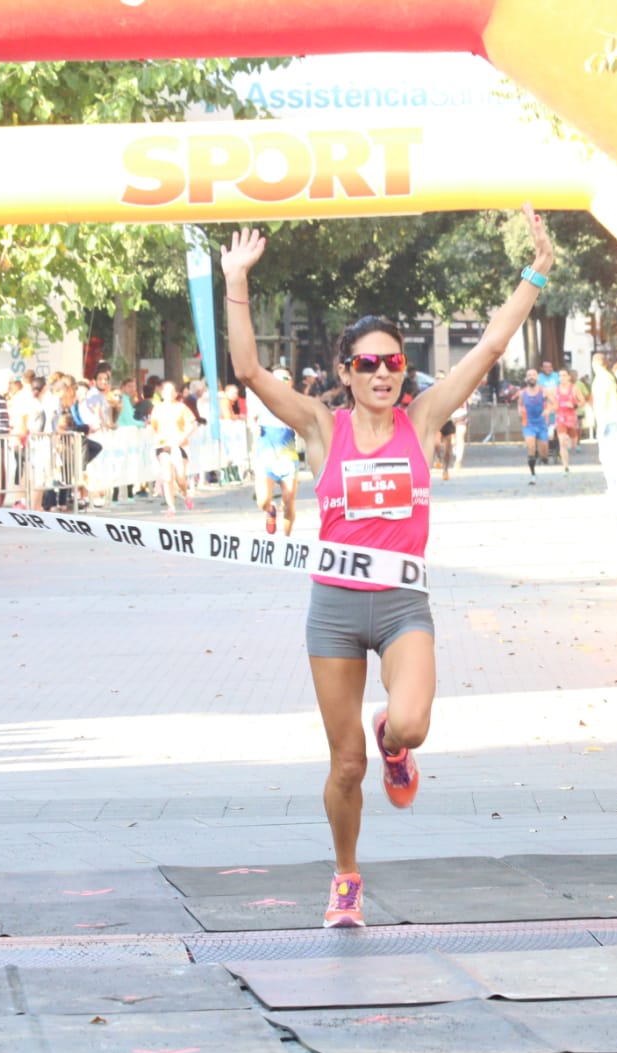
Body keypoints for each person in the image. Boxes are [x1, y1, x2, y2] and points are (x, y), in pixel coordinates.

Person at [219, 205, 553, 928]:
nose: (381, 374)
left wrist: (535, 272)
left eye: (392, 362)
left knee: (409, 725)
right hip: (335, 610)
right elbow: (247, 368)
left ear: (406, 370)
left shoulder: (425, 418)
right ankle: (345, 877)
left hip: (402, 607)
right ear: (346, 372)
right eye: (366, 364)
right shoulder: (319, 426)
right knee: (345, 767)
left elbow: (491, 346)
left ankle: (394, 747)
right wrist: (235, 280)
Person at [248, 367, 301, 534]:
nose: (280, 382)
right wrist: (253, 426)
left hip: (287, 458)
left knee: (289, 500)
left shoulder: (298, 402)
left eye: (285, 378)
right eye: (276, 378)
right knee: (262, 500)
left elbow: (306, 423)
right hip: (266, 458)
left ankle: (286, 540)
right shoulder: (263, 399)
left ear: (291, 382)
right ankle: (270, 509)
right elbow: (252, 417)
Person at [148, 380, 195, 515]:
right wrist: (155, 438)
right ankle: (171, 507)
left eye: (171, 391)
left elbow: (191, 425)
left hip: (179, 445)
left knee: (180, 477)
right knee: (167, 477)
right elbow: (154, 427)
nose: (168, 394)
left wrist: (183, 437)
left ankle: (185, 493)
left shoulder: (181, 407)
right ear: (162, 393)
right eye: (165, 391)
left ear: (175, 394)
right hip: (164, 445)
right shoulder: (157, 408)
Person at [516, 369, 553, 483]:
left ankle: (543, 457)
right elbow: (520, 405)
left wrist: (548, 410)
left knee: (544, 452)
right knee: (531, 447)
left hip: (541, 424)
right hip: (529, 424)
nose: (531, 377)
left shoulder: (544, 391)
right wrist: (520, 412)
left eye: (533, 375)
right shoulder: (522, 393)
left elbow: (554, 404)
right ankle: (533, 475)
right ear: (526, 378)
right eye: (529, 375)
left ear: (537, 378)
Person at [554, 367, 581, 474]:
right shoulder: (555, 389)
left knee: (573, 444)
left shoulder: (574, 389)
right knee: (562, 442)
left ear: (569, 377)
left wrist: (574, 405)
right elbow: (552, 404)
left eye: (564, 375)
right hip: (560, 418)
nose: (562, 378)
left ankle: (574, 443)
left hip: (571, 419)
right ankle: (565, 467)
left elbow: (582, 402)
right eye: (560, 376)